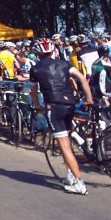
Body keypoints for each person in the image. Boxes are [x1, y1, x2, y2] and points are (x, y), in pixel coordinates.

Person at [30, 38, 94, 195]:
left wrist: (37, 106)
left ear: (38, 53)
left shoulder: (36, 69)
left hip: (54, 105)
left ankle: (79, 182)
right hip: (69, 103)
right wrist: (88, 98)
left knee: (63, 145)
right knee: (66, 138)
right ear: (52, 50)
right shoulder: (65, 63)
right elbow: (82, 79)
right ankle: (71, 174)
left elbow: (33, 91)